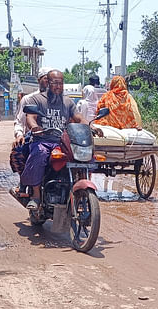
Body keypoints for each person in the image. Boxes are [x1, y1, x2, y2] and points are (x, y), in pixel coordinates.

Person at [20, 70, 97, 210]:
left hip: (63, 142)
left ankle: (80, 190)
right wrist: (35, 127)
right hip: (43, 140)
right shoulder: (37, 99)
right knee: (40, 153)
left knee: (87, 156)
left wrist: (90, 126)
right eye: (55, 83)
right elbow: (30, 117)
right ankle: (36, 196)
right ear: (48, 83)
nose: (58, 86)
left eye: (61, 83)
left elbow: (78, 117)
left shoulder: (67, 102)